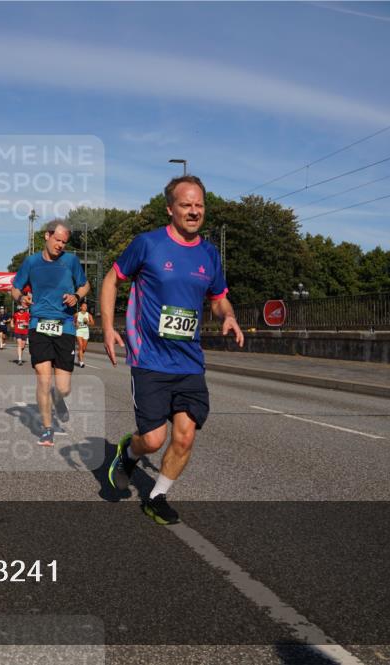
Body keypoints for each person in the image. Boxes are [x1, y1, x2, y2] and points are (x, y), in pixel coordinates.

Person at [102, 175, 244, 525]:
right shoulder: (147, 244)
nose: (194, 211)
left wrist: (229, 316)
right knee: (153, 440)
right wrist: (107, 328)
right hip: (149, 357)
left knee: (184, 436)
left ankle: (157, 495)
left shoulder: (210, 253)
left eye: (199, 205)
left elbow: (219, 298)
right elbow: (111, 279)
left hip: (190, 361)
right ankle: (129, 452)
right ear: (170, 209)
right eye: (186, 205)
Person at [11, 221, 89, 446]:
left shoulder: (71, 261)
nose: (61, 246)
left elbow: (85, 286)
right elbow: (15, 288)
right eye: (58, 240)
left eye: (64, 242)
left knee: (63, 388)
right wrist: (21, 298)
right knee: (43, 380)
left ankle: (59, 399)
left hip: (64, 325)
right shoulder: (31, 262)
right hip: (39, 324)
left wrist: (76, 295)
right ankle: (47, 429)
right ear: (47, 236)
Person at [74, 301, 91, 368]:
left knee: (84, 348)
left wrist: (87, 322)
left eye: (86, 307)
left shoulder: (88, 315)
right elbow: (73, 322)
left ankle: (79, 355)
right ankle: (81, 362)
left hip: (86, 332)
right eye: (84, 306)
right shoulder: (77, 314)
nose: (85, 307)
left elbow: (92, 323)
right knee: (80, 346)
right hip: (79, 331)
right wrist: (76, 324)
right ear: (81, 307)